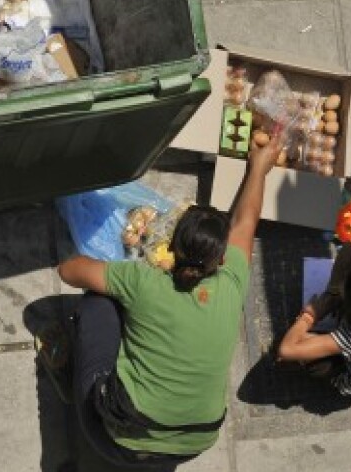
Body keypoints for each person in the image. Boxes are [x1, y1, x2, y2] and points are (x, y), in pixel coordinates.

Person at [54, 133, 283, 467]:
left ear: (172, 248)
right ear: (220, 260)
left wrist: (124, 275)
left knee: (98, 302)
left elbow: (68, 270)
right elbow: (245, 221)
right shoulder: (233, 282)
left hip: (113, 437)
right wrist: (259, 169)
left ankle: (77, 382)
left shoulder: (144, 280)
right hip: (194, 443)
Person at [275, 244, 351, 396]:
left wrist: (308, 316)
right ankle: (332, 299)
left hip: (348, 370)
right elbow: (350, 250)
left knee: (311, 363)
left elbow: (287, 349)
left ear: (350, 305)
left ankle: (328, 375)